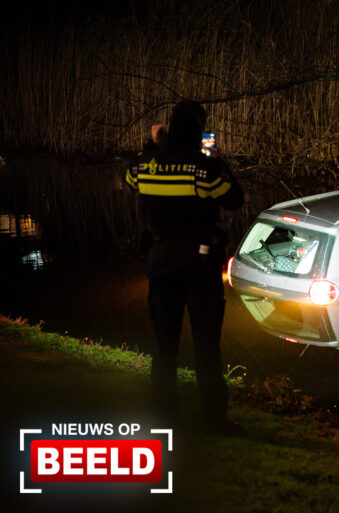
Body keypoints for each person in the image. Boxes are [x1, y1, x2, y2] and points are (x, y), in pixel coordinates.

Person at [124, 100, 244, 434]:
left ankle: (164, 415)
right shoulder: (203, 169)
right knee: (206, 344)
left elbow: (130, 176)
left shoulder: (145, 166)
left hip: (161, 261)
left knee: (164, 344)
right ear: (198, 129)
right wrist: (215, 157)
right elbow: (234, 199)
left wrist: (153, 145)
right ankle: (214, 418)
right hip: (200, 264)